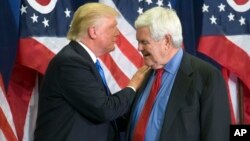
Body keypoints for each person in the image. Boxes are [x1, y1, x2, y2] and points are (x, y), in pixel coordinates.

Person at [34, 3, 150, 141]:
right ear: (93, 31)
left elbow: (102, 113)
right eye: (112, 27)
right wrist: (134, 84)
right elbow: (104, 110)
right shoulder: (71, 63)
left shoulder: (83, 60)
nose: (117, 33)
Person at [127, 7, 231, 141]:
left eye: (144, 42)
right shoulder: (144, 75)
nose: (139, 48)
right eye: (138, 41)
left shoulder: (207, 77)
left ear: (166, 41)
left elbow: (216, 135)